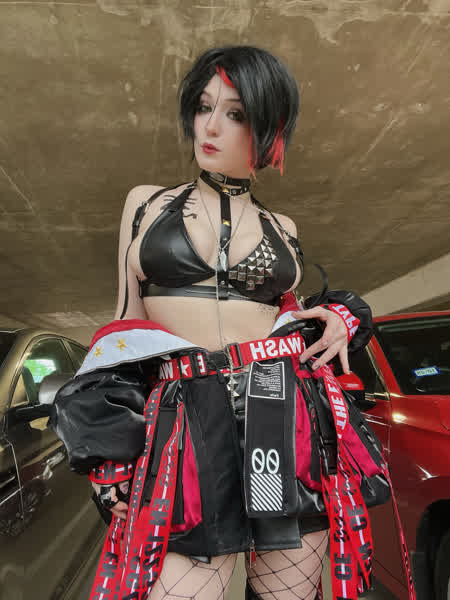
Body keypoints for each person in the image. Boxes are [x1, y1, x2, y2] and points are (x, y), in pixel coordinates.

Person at [64, 46, 374, 600]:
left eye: (235, 113)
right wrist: (110, 453)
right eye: (203, 107)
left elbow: (288, 314)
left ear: (269, 127)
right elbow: (124, 327)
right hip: (186, 423)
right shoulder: (146, 204)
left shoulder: (284, 226)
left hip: (282, 415)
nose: (209, 127)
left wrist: (336, 317)